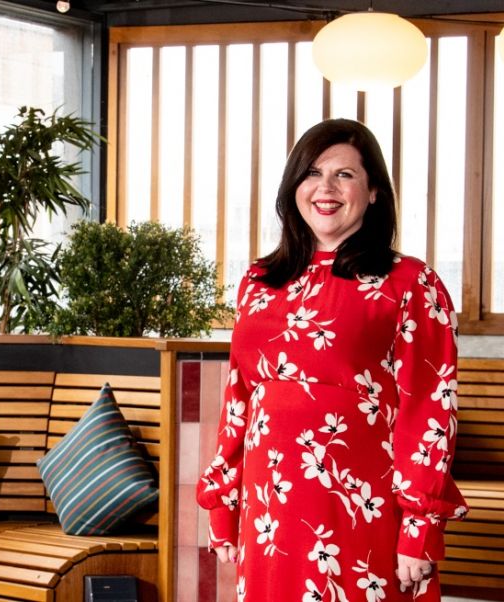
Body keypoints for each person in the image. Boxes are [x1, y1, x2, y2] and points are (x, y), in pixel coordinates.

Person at [197, 119, 468, 601]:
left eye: (344, 175)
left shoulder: (410, 283)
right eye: (312, 173)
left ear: (375, 193)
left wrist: (419, 528)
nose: (325, 188)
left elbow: (429, 410)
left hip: (359, 504)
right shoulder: (259, 282)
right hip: (269, 506)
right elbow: (240, 399)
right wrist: (223, 502)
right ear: (293, 187)